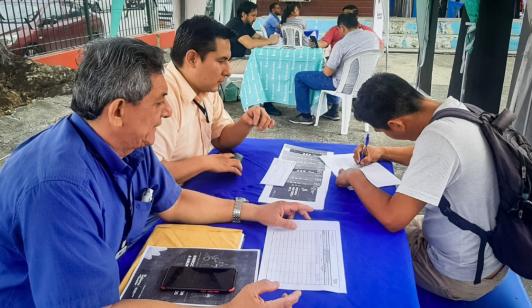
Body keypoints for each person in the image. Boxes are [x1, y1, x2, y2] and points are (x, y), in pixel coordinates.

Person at [0, 37, 310, 307]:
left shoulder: (130, 143)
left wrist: (257, 212)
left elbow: (174, 202)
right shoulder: (60, 189)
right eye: (159, 101)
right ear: (119, 111)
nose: (169, 111)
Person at [336, 73, 507, 300]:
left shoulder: (439, 138)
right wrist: (383, 151)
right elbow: (432, 156)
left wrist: (355, 176)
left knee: (358, 245)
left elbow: (393, 219)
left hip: (457, 275)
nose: (386, 137)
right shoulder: (457, 111)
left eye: (385, 132)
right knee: (369, 221)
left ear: (395, 124)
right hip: (485, 252)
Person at [154, 16, 275, 184]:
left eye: (229, 60)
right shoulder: (161, 98)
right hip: (170, 199)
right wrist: (206, 163)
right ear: (192, 59)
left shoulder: (206, 87)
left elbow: (220, 139)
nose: (228, 71)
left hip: (196, 183)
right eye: (222, 61)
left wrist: (245, 123)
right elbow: (152, 174)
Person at [289, 13, 379, 125]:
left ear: (342, 27)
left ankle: (305, 115)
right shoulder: (373, 37)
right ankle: (333, 110)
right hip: (363, 83)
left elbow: (327, 73)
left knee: (300, 77)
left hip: (343, 85)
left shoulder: (342, 44)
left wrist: (327, 66)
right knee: (338, 73)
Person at [226, 1, 282, 116]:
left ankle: (265, 100)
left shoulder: (246, 25)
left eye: (256, 15)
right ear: (243, 14)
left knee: (264, 65)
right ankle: (266, 103)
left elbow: (258, 38)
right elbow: (250, 44)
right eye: (253, 15)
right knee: (262, 68)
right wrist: (270, 41)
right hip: (228, 62)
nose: (255, 18)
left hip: (238, 59)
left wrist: (269, 40)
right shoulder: (236, 24)